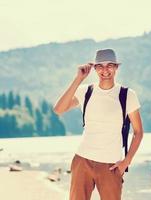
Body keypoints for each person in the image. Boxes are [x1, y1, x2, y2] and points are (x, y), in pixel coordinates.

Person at [53, 49, 144, 200]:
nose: (105, 70)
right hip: (82, 160)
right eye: (100, 66)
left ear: (116, 67)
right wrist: (78, 79)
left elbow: (138, 132)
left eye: (110, 65)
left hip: (111, 165)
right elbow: (58, 109)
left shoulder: (127, 95)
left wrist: (126, 162)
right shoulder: (86, 92)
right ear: (94, 69)